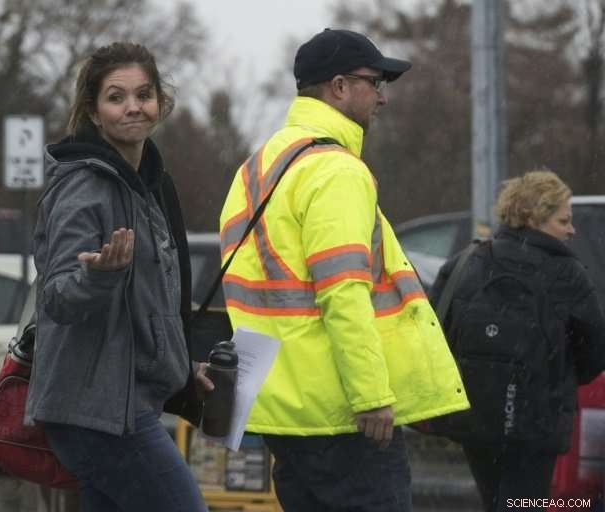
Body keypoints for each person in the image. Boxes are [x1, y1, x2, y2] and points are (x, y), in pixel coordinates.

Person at [218, 28, 469, 512]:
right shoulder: (336, 171)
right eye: (374, 83)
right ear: (338, 87)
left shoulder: (259, 166)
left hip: (284, 409)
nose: (382, 98)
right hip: (343, 414)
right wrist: (371, 395)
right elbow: (343, 293)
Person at [25, 42, 212, 512]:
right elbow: (56, 298)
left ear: (160, 103)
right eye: (116, 97)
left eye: (144, 94)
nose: (133, 107)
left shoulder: (146, 185)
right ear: (93, 110)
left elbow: (147, 310)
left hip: (125, 404)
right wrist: (99, 278)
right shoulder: (84, 187)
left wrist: (182, 372)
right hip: (96, 413)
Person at [429, 170, 605, 512]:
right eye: (563, 220)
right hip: (538, 423)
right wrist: (560, 379)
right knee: (524, 501)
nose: (571, 229)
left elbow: (435, 330)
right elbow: (595, 352)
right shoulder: (568, 275)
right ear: (534, 218)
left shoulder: (466, 262)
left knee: (495, 501)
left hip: (475, 417)